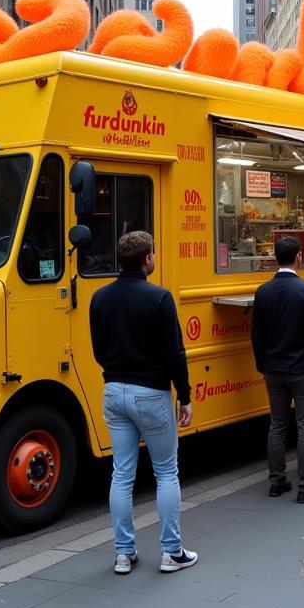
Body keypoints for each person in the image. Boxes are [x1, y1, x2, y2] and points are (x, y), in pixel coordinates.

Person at [88, 231, 197, 575]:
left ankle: (123, 553)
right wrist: (185, 394)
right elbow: (175, 353)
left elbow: (98, 349)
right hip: (151, 392)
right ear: (147, 259)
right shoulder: (159, 298)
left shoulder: (99, 298)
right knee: (166, 471)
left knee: (122, 474)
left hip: (114, 390)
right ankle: (171, 552)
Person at [252, 235, 304, 502]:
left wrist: (262, 364)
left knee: (277, 425)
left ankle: (277, 481)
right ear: (299, 256)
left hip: (274, 369)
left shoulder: (263, 292)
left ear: (275, 257)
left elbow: (257, 335)